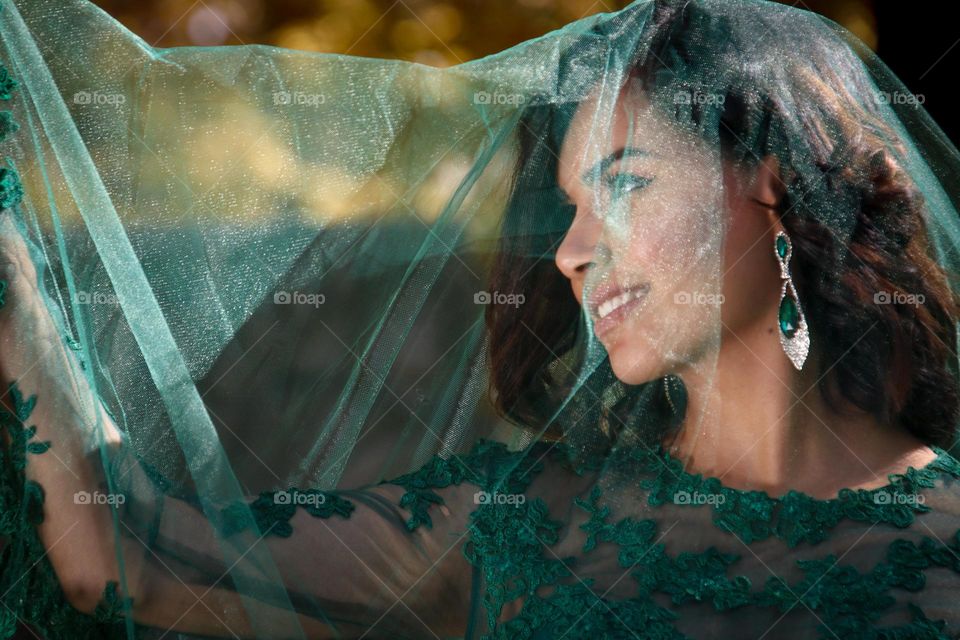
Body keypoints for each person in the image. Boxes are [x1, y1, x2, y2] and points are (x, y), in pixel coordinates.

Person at [2, 0, 960, 637]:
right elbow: (122, 556)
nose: (570, 252)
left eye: (622, 186)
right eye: (570, 206)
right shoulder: (513, 521)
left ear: (775, 182)